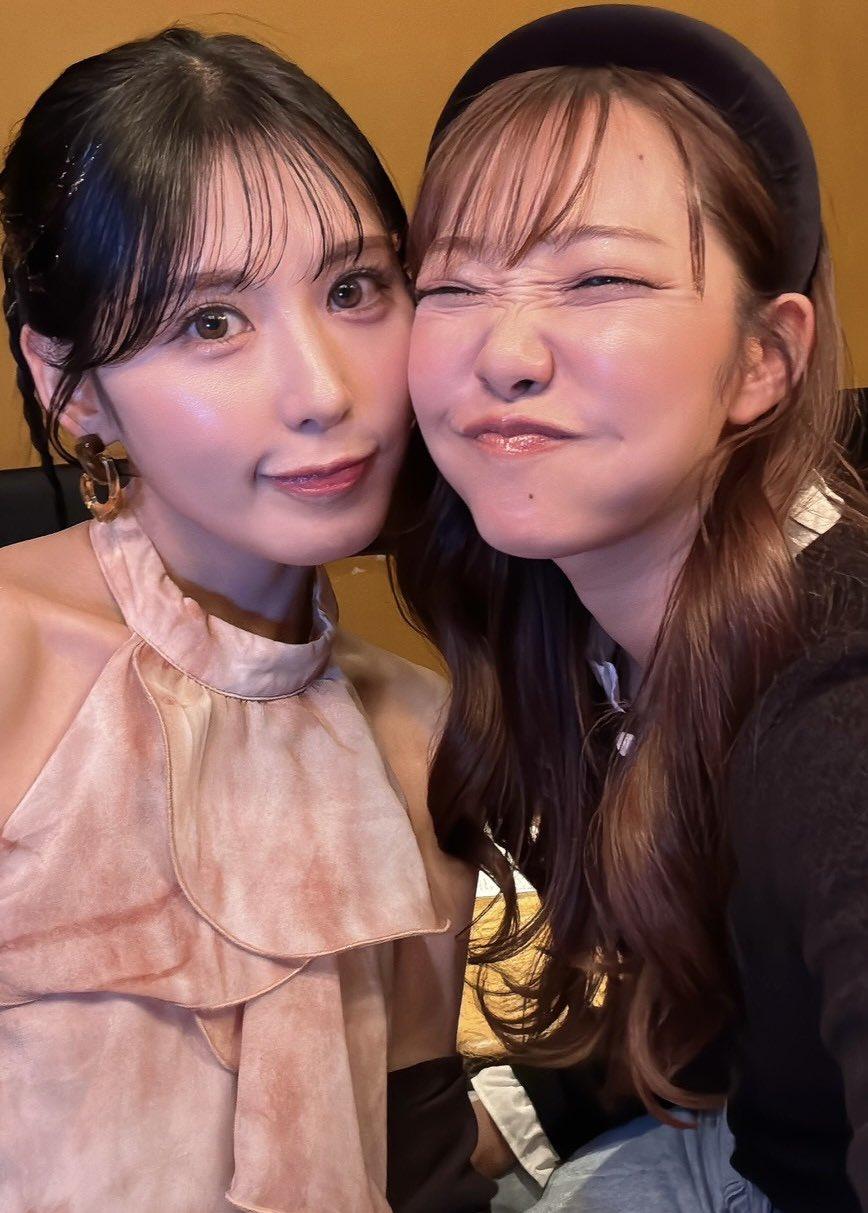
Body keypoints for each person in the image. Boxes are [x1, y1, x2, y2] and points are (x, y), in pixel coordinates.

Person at [0, 28, 494, 1213]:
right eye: (211, 321)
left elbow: (418, 1162)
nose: (324, 389)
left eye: (354, 289)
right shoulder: (13, 667)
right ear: (71, 384)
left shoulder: (424, 732)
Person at [390, 6, 868, 1211]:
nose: (505, 351)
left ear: (763, 358)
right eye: (451, 283)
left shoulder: (836, 695)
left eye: (598, 277)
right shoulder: (569, 621)